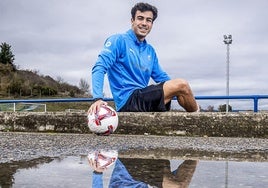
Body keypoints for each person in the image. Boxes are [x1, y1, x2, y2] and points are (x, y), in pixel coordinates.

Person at [88, 2, 199, 114]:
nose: (144, 23)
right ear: (132, 21)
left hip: (144, 98)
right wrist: (98, 98)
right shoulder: (118, 40)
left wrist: (177, 90)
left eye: (148, 20)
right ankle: (199, 117)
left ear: (151, 24)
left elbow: (162, 77)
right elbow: (100, 67)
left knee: (182, 89)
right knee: (182, 84)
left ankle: (196, 120)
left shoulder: (150, 50)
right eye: (140, 18)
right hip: (128, 101)